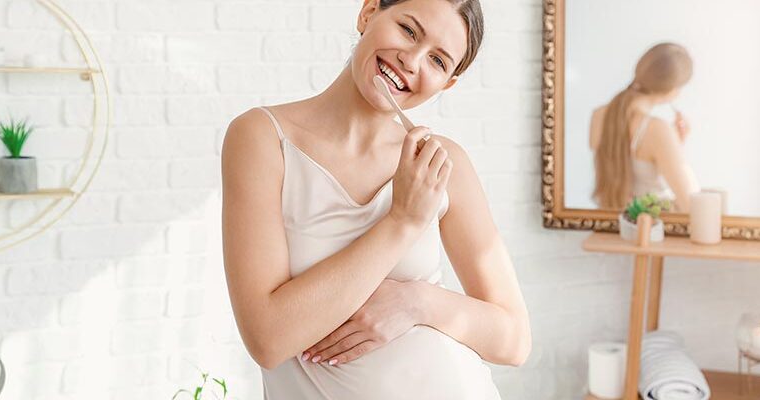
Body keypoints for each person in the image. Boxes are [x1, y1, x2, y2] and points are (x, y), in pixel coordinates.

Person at [220, 0, 531, 398]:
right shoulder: (263, 138)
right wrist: (402, 222)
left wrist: (416, 302)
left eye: (438, 60)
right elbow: (268, 338)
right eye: (409, 30)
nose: (412, 61)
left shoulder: (441, 163)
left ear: (448, 82)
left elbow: (515, 340)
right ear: (368, 13)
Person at [589, 42, 700, 212]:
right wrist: (675, 147)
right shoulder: (658, 130)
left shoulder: (598, 116)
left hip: (613, 227)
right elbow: (690, 207)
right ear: (672, 88)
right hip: (654, 232)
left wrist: (676, 144)